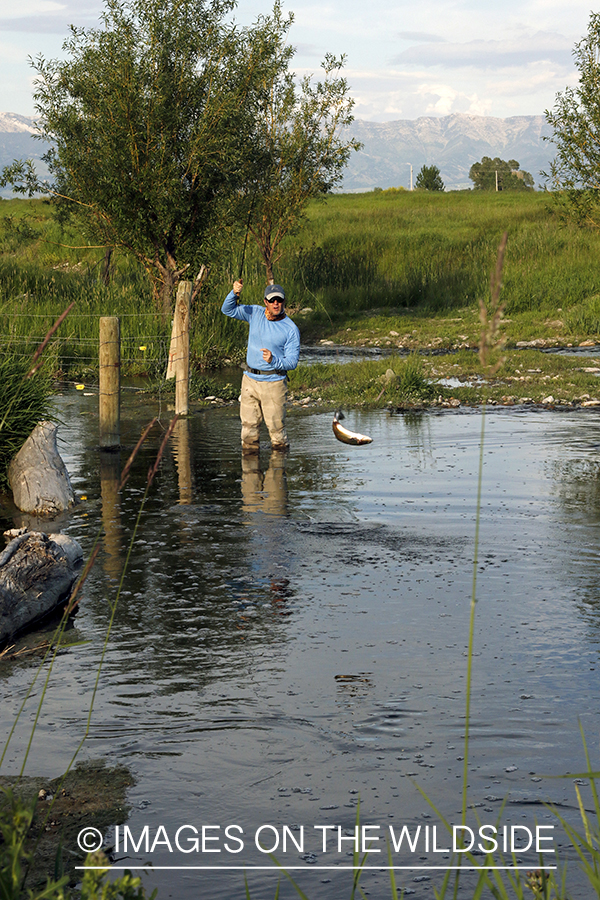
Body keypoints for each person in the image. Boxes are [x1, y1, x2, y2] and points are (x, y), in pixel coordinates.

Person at [222, 280, 300, 454]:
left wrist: (274, 360)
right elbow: (228, 310)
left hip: (274, 383)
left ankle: (278, 472)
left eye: (279, 300)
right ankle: (250, 475)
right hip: (249, 380)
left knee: (277, 433)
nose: (276, 304)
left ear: (284, 301)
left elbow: (292, 362)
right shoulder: (254, 313)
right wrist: (234, 294)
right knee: (248, 432)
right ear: (265, 301)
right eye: (272, 300)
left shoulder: (291, 329)